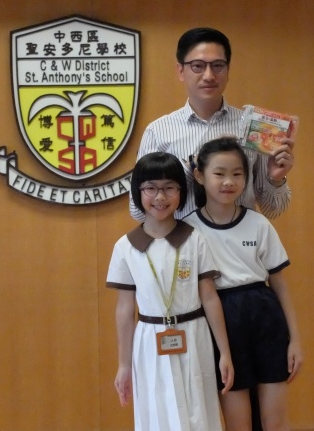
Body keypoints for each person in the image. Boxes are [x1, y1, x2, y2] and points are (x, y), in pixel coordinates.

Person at [107, 151, 234, 431]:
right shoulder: (125, 247)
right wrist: (123, 365)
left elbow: (209, 296)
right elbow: (125, 309)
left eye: (169, 188)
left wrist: (224, 352)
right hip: (149, 340)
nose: (160, 197)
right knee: (157, 413)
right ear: (138, 191)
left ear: (181, 191)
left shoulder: (195, 239)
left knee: (199, 412)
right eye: (151, 188)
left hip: (194, 334)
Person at [183, 137, 303, 431]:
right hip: (221, 321)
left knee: (274, 422)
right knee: (238, 424)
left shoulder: (259, 223)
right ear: (199, 176)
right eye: (219, 173)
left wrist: (295, 340)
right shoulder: (189, 230)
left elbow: (279, 284)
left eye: (237, 174)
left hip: (265, 316)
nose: (229, 182)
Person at [130, 27, 295, 222]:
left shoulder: (252, 128)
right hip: (182, 240)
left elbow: (273, 210)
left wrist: (275, 178)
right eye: (197, 66)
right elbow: (138, 212)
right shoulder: (158, 131)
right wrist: (191, 168)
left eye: (218, 65)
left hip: (240, 239)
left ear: (228, 70)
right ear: (181, 71)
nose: (209, 75)